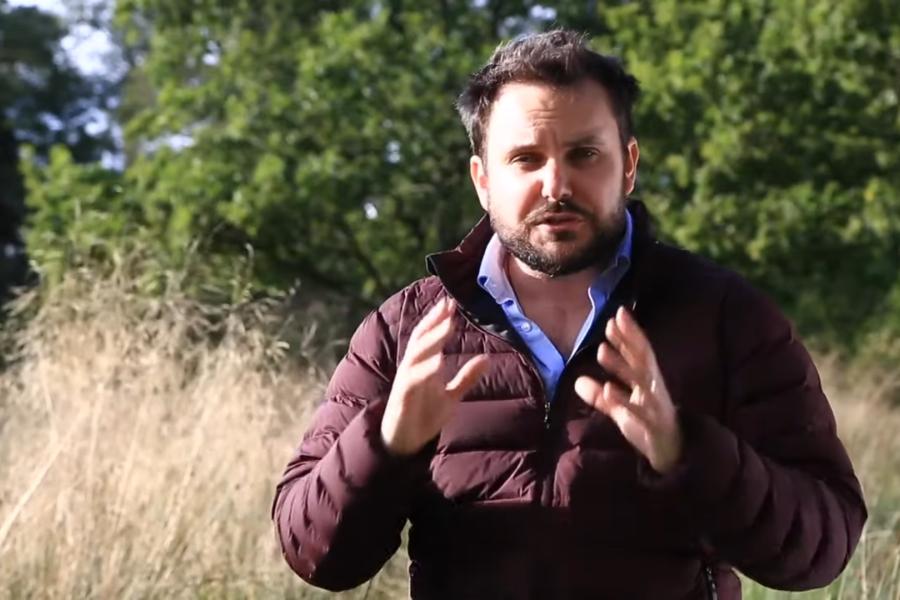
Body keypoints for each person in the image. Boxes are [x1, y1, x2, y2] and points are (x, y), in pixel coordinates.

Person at [272, 30, 866, 599]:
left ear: (628, 164)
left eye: (584, 154)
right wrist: (387, 442)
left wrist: (686, 451)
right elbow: (314, 554)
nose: (556, 184)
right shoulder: (406, 328)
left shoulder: (725, 317)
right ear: (483, 180)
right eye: (526, 159)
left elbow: (823, 546)